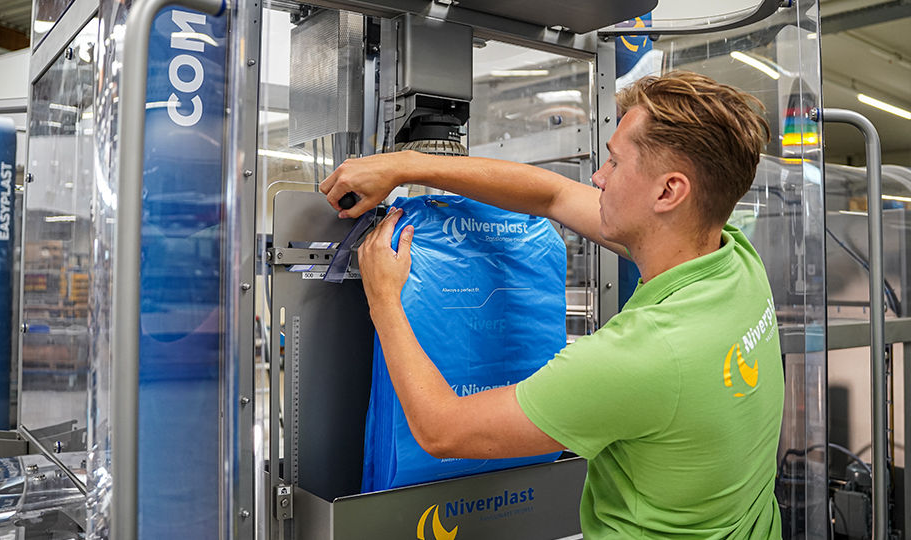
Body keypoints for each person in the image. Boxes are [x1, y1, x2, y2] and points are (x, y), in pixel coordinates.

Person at [320, 70, 782, 539]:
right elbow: (552, 194)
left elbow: (443, 430)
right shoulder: (736, 262)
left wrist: (385, 298)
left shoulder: (643, 355)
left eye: (615, 163)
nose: (598, 177)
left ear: (668, 192)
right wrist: (405, 166)